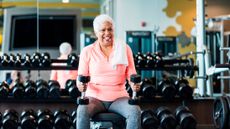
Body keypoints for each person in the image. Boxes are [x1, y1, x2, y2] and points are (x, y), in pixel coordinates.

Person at [77, 14, 141, 129]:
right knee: (82, 111)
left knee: (135, 111)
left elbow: (131, 74)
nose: (107, 33)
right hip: (94, 97)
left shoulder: (124, 49)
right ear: (96, 33)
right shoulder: (87, 51)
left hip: (119, 97)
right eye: (103, 30)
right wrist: (80, 86)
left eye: (110, 29)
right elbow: (80, 77)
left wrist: (134, 85)